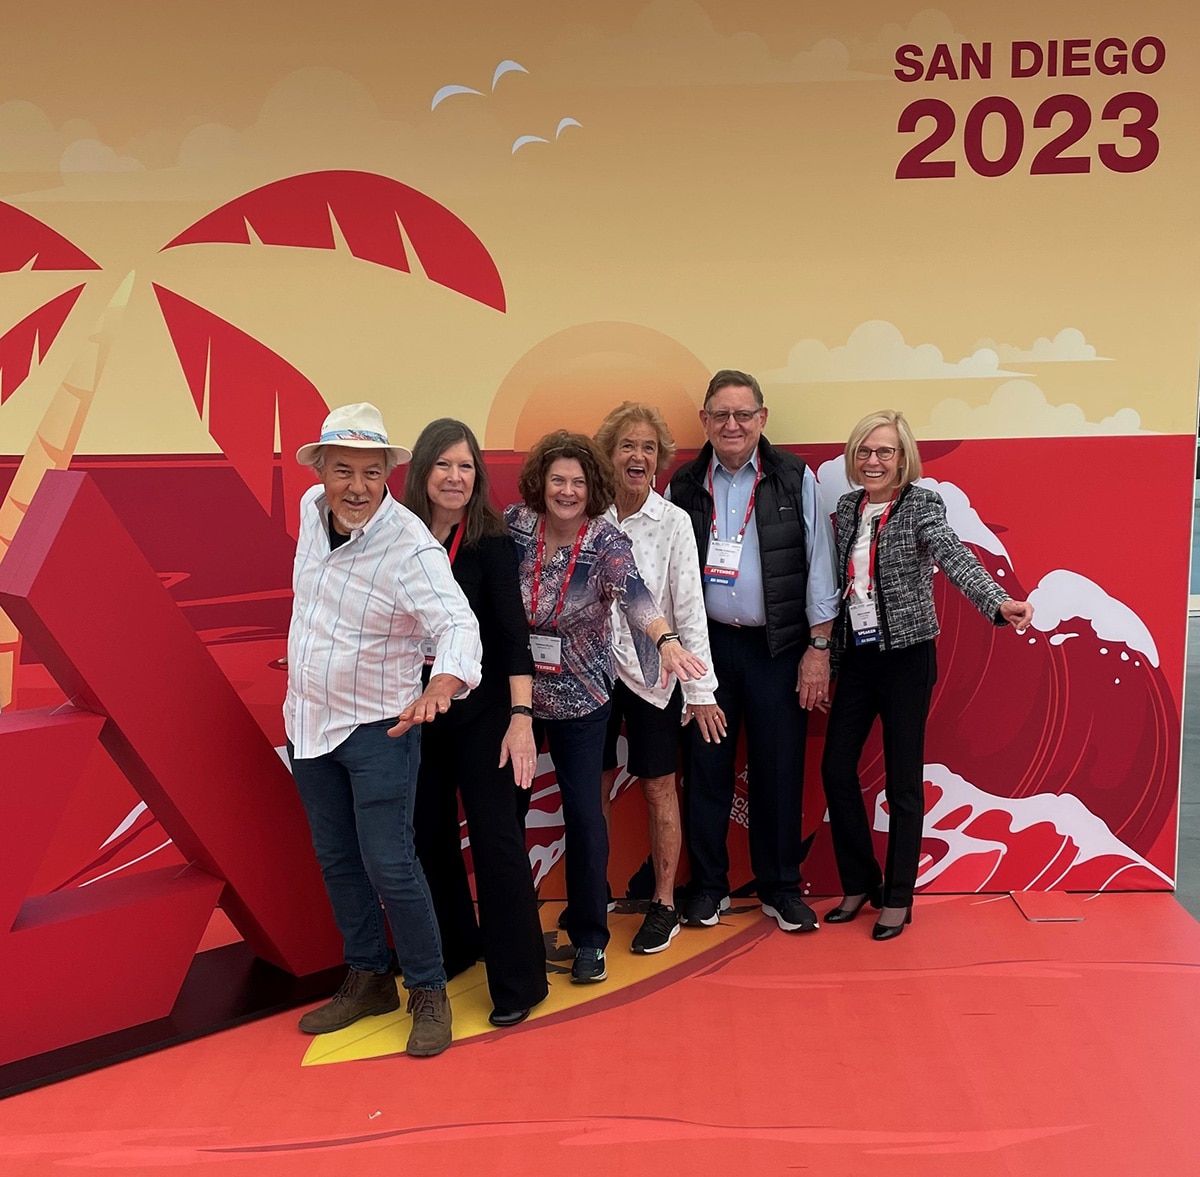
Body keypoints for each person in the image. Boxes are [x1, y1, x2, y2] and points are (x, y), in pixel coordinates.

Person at [285, 402, 483, 1058]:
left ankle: (428, 990)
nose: (359, 486)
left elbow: (459, 625)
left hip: (380, 728)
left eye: (373, 472)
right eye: (344, 470)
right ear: (321, 469)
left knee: (392, 861)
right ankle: (368, 975)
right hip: (310, 722)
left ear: (388, 474)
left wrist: (440, 684)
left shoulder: (410, 545)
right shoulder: (313, 511)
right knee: (336, 858)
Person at [821, 410, 1033, 940]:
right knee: (835, 768)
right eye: (866, 451)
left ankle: (897, 896)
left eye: (885, 452)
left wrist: (996, 601)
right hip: (859, 657)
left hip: (906, 659)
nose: (873, 461)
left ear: (903, 457)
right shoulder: (847, 509)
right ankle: (858, 882)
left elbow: (953, 555)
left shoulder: (921, 504)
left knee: (902, 780)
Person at [507, 431, 707, 984]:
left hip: (581, 700)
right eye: (557, 480)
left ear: (592, 485)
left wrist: (666, 640)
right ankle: (510, 932)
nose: (567, 491)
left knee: (585, 818)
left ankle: (590, 938)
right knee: (505, 816)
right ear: (540, 484)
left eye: (577, 481)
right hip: (519, 697)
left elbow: (638, 595)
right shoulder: (517, 526)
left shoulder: (607, 540)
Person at [668, 370, 840, 933]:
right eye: (722, 415)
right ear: (705, 421)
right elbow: (669, 574)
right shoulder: (685, 483)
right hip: (706, 650)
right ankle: (709, 888)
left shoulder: (793, 477)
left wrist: (818, 648)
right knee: (706, 769)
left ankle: (781, 887)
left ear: (762, 419)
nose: (733, 425)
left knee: (779, 770)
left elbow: (819, 564)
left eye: (744, 414)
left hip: (777, 648)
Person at [403, 419, 549, 1027]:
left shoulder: (489, 542)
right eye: (444, 465)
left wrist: (521, 718)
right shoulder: (398, 538)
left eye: (466, 467)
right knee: (428, 836)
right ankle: (457, 947)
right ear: (421, 473)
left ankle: (520, 983)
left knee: (496, 842)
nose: (455, 477)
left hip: (485, 712)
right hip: (415, 713)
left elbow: (514, 639)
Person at [593, 402, 725, 954]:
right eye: (627, 445)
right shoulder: (587, 513)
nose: (638, 456)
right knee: (589, 787)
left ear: (661, 459)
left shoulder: (673, 523)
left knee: (658, 786)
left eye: (648, 447)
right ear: (609, 453)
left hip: (653, 676)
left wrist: (700, 691)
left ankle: (665, 903)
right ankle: (588, 898)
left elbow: (689, 608)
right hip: (590, 673)